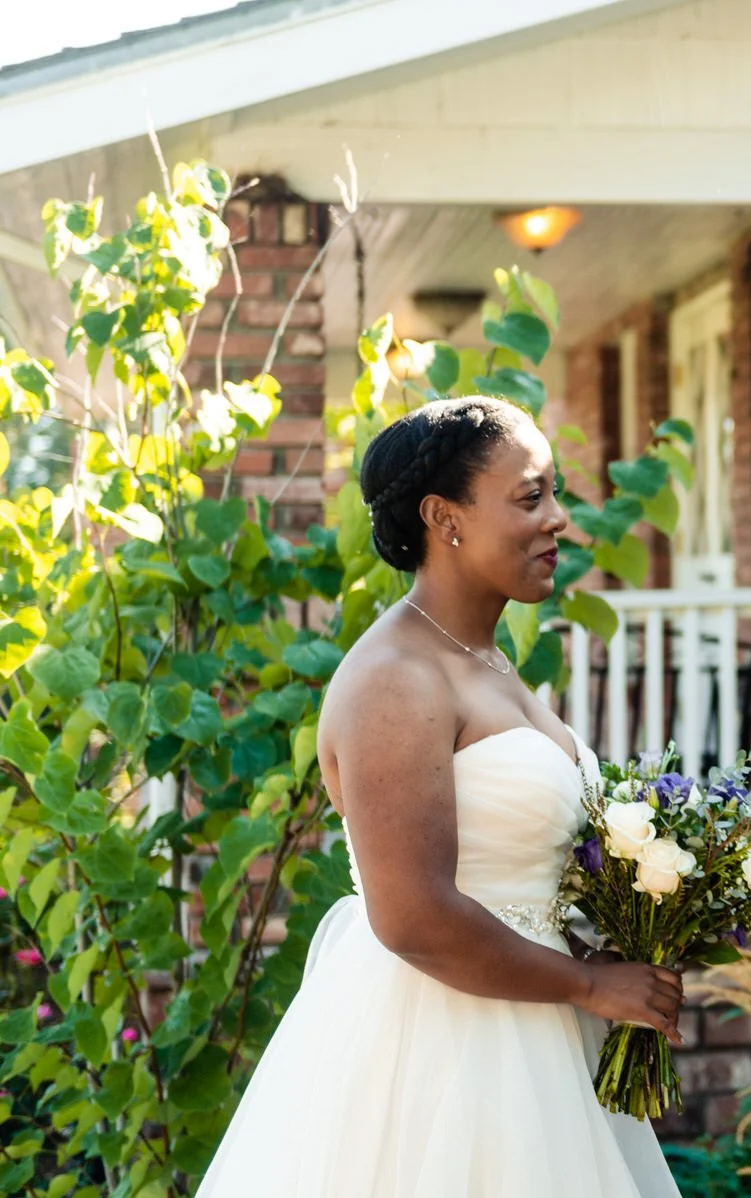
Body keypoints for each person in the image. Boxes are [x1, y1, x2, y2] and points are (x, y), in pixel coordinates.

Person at [199, 397, 683, 1197]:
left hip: (538, 1032)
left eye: (554, 495)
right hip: (442, 1049)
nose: (559, 520)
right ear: (442, 517)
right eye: (531, 497)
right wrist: (592, 985)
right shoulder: (397, 677)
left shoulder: (484, 659)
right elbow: (413, 914)